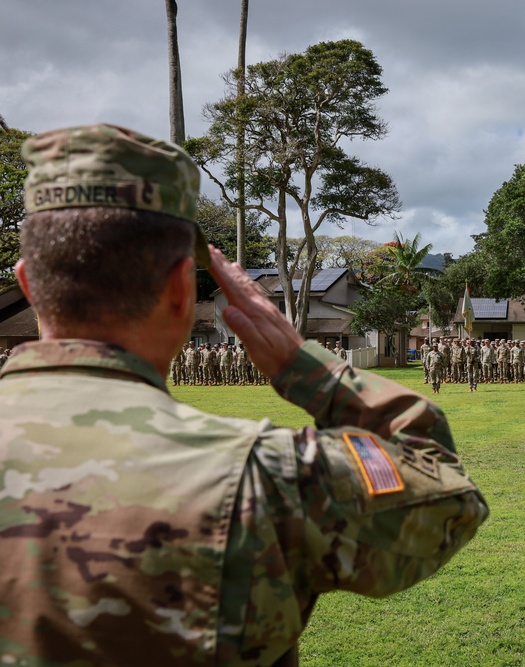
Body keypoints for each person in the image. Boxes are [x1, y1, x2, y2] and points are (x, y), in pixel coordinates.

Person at [0, 124, 488, 666]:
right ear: (184, 288)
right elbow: (447, 496)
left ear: (27, 283)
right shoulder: (265, 477)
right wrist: (308, 367)